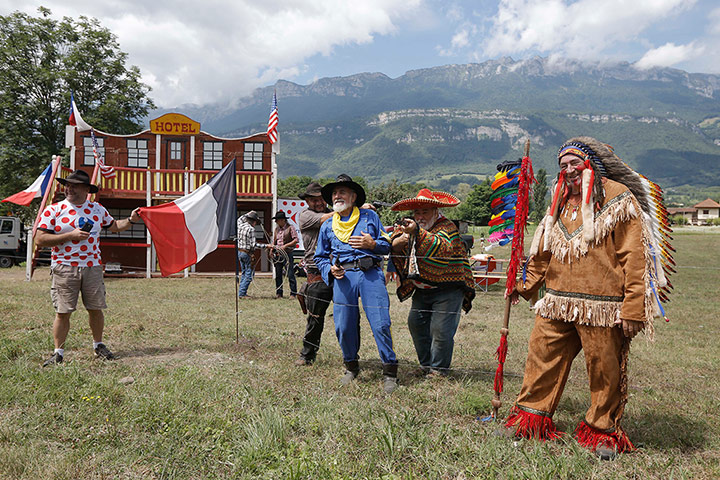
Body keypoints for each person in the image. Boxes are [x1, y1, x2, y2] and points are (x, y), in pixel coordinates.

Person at [503, 137, 666, 459]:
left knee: (604, 369)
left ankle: (602, 431)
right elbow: (543, 251)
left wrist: (633, 307)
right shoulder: (559, 200)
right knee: (540, 359)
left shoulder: (620, 199)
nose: (568, 170)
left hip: (603, 307)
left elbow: (635, 258)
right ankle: (531, 417)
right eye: (563, 165)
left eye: (575, 163)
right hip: (556, 301)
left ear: (592, 165)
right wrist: (524, 284)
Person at [35, 170, 141, 366]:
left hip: (92, 267)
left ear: (86, 190)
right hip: (65, 267)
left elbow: (114, 226)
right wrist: (69, 236)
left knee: (96, 308)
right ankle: (58, 353)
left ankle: (98, 346)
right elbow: (40, 239)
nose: (69, 189)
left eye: (74, 185)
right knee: (63, 311)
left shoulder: (97, 209)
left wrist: (132, 219)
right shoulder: (54, 210)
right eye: (68, 185)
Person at [314, 174, 399, 393]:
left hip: (370, 274)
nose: (337, 196)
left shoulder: (369, 217)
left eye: (342, 192)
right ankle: (351, 366)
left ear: (353, 197)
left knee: (380, 322)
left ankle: (390, 371)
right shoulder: (327, 225)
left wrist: (372, 244)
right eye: (334, 193)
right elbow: (320, 257)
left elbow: (386, 244)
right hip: (344, 278)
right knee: (344, 326)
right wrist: (329, 270)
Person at [389, 189, 476, 376]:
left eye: (425, 211)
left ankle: (438, 370)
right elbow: (393, 242)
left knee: (441, 330)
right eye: (417, 212)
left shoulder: (447, 226)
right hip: (423, 288)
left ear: (436, 211)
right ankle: (426, 365)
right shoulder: (409, 226)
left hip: (449, 288)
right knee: (416, 324)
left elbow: (442, 247)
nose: (420, 216)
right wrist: (400, 239)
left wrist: (416, 233)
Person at [294, 182, 335, 366]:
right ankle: (307, 354)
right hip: (316, 270)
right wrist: (351, 208)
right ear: (307, 201)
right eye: (313, 200)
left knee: (347, 315)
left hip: (340, 269)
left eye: (320, 199)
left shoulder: (336, 213)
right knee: (315, 318)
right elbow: (326, 218)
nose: (318, 202)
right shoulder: (306, 215)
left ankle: (351, 358)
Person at [270, 210, 298, 298]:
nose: (276, 222)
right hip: (278, 254)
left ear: (282, 220)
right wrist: (271, 250)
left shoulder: (291, 228)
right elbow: (274, 241)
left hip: (287, 253)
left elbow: (295, 240)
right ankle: (279, 292)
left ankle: (293, 293)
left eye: (277, 220)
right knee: (278, 274)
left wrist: (286, 246)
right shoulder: (276, 229)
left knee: (290, 273)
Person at [237, 210, 260, 298]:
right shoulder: (251, 229)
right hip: (247, 253)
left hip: (240, 251)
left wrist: (248, 213)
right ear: (254, 222)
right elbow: (253, 245)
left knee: (244, 272)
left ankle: (241, 291)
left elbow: (240, 219)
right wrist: (267, 246)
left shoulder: (240, 225)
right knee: (249, 274)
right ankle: (242, 293)